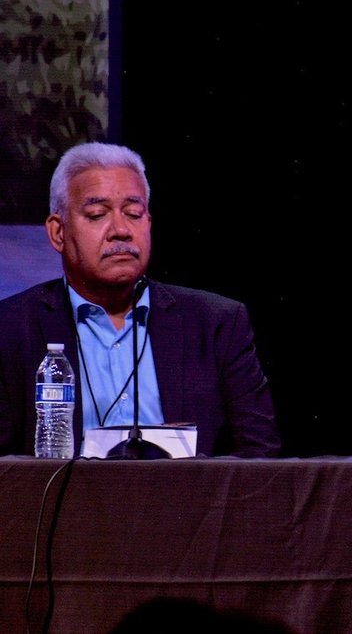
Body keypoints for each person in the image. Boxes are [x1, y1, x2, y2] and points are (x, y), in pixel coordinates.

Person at [0, 142, 280, 457]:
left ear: (149, 223)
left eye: (134, 213)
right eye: (96, 214)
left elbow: (259, 460)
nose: (121, 230)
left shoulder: (217, 324)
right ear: (58, 233)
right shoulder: (10, 330)